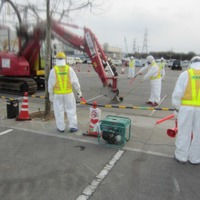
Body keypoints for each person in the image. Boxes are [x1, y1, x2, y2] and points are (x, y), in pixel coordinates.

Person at [172, 56, 200, 164]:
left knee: (184, 132)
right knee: (199, 134)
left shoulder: (185, 74)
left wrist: (176, 108)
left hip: (186, 108)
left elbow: (178, 93)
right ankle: (195, 158)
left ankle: (181, 156)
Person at [48, 52, 82, 133]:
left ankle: (61, 128)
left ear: (56, 59)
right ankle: (73, 127)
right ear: (64, 59)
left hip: (58, 94)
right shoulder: (69, 69)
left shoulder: (53, 70)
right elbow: (75, 81)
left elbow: (50, 83)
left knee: (58, 111)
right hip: (68, 93)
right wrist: (78, 91)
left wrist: (51, 93)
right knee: (71, 109)